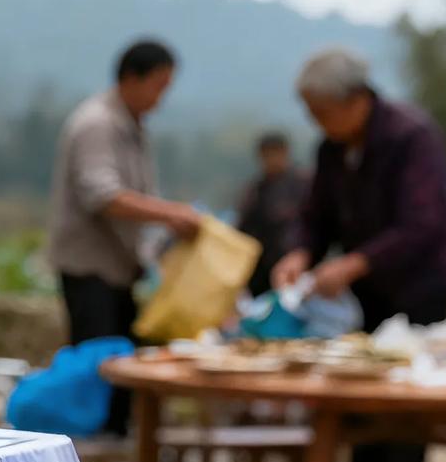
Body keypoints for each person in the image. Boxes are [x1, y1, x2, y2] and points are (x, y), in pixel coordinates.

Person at [273, 47, 446, 462]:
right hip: (368, 285)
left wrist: (354, 262)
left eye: (323, 111)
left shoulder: (411, 136)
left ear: (357, 99)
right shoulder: (331, 148)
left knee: (407, 384)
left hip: (422, 278)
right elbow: (315, 215)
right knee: (360, 380)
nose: (317, 121)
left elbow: (422, 223)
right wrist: (300, 253)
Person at [48, 39, 201, 433]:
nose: (160, 98)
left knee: (122, 371)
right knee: (97, 370)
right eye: (158, 86)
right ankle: (90, 454)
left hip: (119, 269)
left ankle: (115, 443)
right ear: (132, 78)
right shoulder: (97, 123)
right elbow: (102, 195)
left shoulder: (131, 127)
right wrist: (170, 214)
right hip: (90, 268)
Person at [237, 132, 309, 298]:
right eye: (266, 154)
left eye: (275, 153)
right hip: (261, 269)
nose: (271, 159)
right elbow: (243, 228)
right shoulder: (255, 190)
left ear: (285, 152)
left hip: (295, 263)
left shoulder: (303, 184)